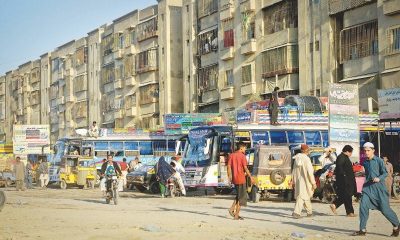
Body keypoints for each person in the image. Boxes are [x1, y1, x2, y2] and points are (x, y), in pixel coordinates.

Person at [353, 142, 399, 236]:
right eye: (365, 150)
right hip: (367, 188)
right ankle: (362, 229)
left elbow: (385, 173)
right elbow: (367, 174)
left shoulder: (379, 161)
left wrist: (379, 178)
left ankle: (396, 225)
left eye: (368, 150)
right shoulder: (365, 162)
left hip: (379, 189)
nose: (366, 152)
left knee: (385, 210)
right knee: (363, 207)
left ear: (373, 150)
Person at [227, 142, 254, 220]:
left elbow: (228, 167)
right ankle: (236, 215)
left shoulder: (231, 155)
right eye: (245, 148)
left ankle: (231, 209)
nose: (245, 149)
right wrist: (251, 177)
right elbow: (245, 168)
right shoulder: (242, 156)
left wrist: (230, 177)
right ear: (241, 148)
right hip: (241, 179)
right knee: (241, 198)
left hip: (235, 179)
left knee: (239, 195)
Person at [330, 145, 356, 217]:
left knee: (345, 196)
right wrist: (344, 178)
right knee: (347, 196)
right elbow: (340, 168)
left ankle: (334, 205)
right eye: (350, 152)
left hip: (347, 180)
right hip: (344, 181)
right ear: (347, 151)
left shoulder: (344, 157)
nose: (351, 154)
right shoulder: (341, 157)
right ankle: (350, 212)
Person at [292, 144, 316, 219]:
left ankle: (309, 212)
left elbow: (293, 171)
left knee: (306, 196)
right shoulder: (306, 159)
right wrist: (313, 183)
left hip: (298, 180)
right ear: (307, 151)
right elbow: (310, 172)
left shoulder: (296, 158)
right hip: (306, 181)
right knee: (302, 196)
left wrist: (293, 181)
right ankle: (296, 212)